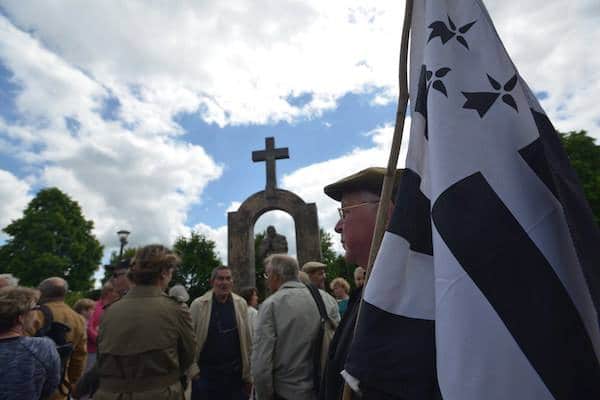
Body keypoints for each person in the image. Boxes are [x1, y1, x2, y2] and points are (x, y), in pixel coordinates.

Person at [319, 167, 401, 400]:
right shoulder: (370, 290)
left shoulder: (403, 301)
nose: (337, 226)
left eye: (345, 213)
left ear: (386, 213)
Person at [95, 244, 196, 400]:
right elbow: (187, 356)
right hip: (159, 393)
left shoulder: (109, 311)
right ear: (163, 272)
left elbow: (101, 357)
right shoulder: (176, 309)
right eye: (171, 271)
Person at [252, 254, 340, 400]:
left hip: (287, 393)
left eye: (267, 276)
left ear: (275, 276)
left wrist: (264, 396)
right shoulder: (328, 299)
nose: (267, 281)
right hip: (325, 390)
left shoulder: (271, 305)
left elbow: (261, 364)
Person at [188, 266, 253, 400]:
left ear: (232, 282)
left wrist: (248, 375)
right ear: (212, 282)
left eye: (228, 278)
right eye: (220, 279)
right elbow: (188, 340)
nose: (224, 282)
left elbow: (247, 340)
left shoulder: (241, 304)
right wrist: (194, 372)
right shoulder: (198, 305)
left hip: (235, 377)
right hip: (206, 376)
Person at [30, 277, 88, 400]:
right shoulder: (78, 319)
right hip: (60, 386)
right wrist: (71, 380)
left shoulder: (35, 315)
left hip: (33, 385)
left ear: (41, 292)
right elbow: (79, 356)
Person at [0, 286, 61, 400]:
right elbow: (49, 388)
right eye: (35, 308)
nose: (37, 313)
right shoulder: (42, 348)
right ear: (20, 318)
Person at [73, 299, 95, 372]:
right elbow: (93, 337)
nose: (93, 312)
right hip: (86, 352)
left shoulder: (80, 320)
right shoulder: (83, 322)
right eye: (92, 310)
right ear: (84, 311)